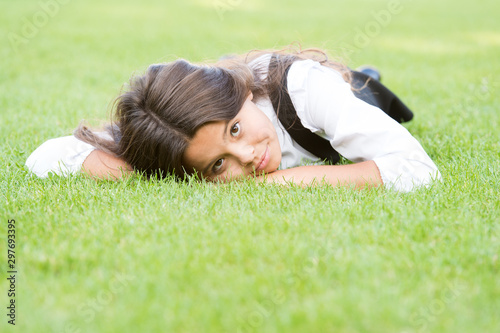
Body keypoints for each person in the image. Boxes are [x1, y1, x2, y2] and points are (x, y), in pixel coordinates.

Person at [25, 47, 441, 192]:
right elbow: (47, 156)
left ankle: (365, 72)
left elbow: (418, 170)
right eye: (218, 165)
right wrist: (142, 171)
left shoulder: (301, 88)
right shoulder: (171, 131)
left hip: (343, 95)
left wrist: (281, 183)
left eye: (235, 129)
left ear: (241, 93)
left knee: (359, 86)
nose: (248, 156)